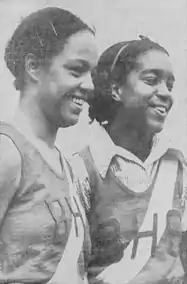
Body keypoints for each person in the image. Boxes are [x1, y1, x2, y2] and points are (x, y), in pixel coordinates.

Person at [71, 37, 187, 284]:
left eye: (170, 85)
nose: (166, 93)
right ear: (116, 89)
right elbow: (72, 270)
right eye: (151, 80)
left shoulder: (177, 165)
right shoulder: (81, 170)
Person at [0, 7, 98, 284]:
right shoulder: (7, 151)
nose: (90, 85)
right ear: (33, 67)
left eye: (92, 74)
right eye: (76, 70)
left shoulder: (65, 165)